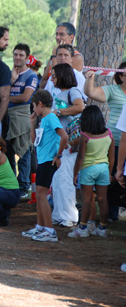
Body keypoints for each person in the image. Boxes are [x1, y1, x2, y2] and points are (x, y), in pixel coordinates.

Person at [21, 90, 68, 241]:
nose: (34, 110)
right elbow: (35, 141)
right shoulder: (43, 119)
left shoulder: (51, 118)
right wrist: (32, 123)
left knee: (41, 194)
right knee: (40, 195)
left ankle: (49, 230)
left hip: (49, 160)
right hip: (43, 160)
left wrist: (58, 155)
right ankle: (41, 226)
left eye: (34, 106)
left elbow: (64, 136)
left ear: (40, 104)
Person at [85, 62, 126, 221]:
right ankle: (110, 214)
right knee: (110, 177)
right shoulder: (113, 90)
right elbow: (91, 92)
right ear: (121, 76)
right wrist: (90, 79)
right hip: (114, 141)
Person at [68, 106, 114, 238]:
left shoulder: (85, 136)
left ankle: (82, 228)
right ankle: (102, 228)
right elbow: (111, 156)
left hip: (88, 169)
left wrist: (75, 173)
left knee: (87, 200)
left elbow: (80, 157)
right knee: (102, 200)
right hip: (104, 169)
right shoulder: (109, 134)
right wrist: (110, 172)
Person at [49, 63, 85, 227]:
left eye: (55, 76)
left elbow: (80, 106)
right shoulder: (58, 93)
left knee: (65, 178)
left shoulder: (73, 91)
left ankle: (69, 216)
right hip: (58, 142)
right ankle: (58, 214)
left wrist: (58, 112)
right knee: (57, 180)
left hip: (70, 143)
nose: (52, 78)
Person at [6, 44, 38, 199]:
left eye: (21, 55)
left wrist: (5, 99)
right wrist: (11, 80)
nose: (17, 58)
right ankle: (12, 184)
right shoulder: (9, 73)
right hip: (7, 115)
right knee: (8, 151)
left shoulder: (31, 75)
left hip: (22, 115)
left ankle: (24, 186)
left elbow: (26, 97)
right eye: (15, 54)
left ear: (27, 58)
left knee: (24, 150)